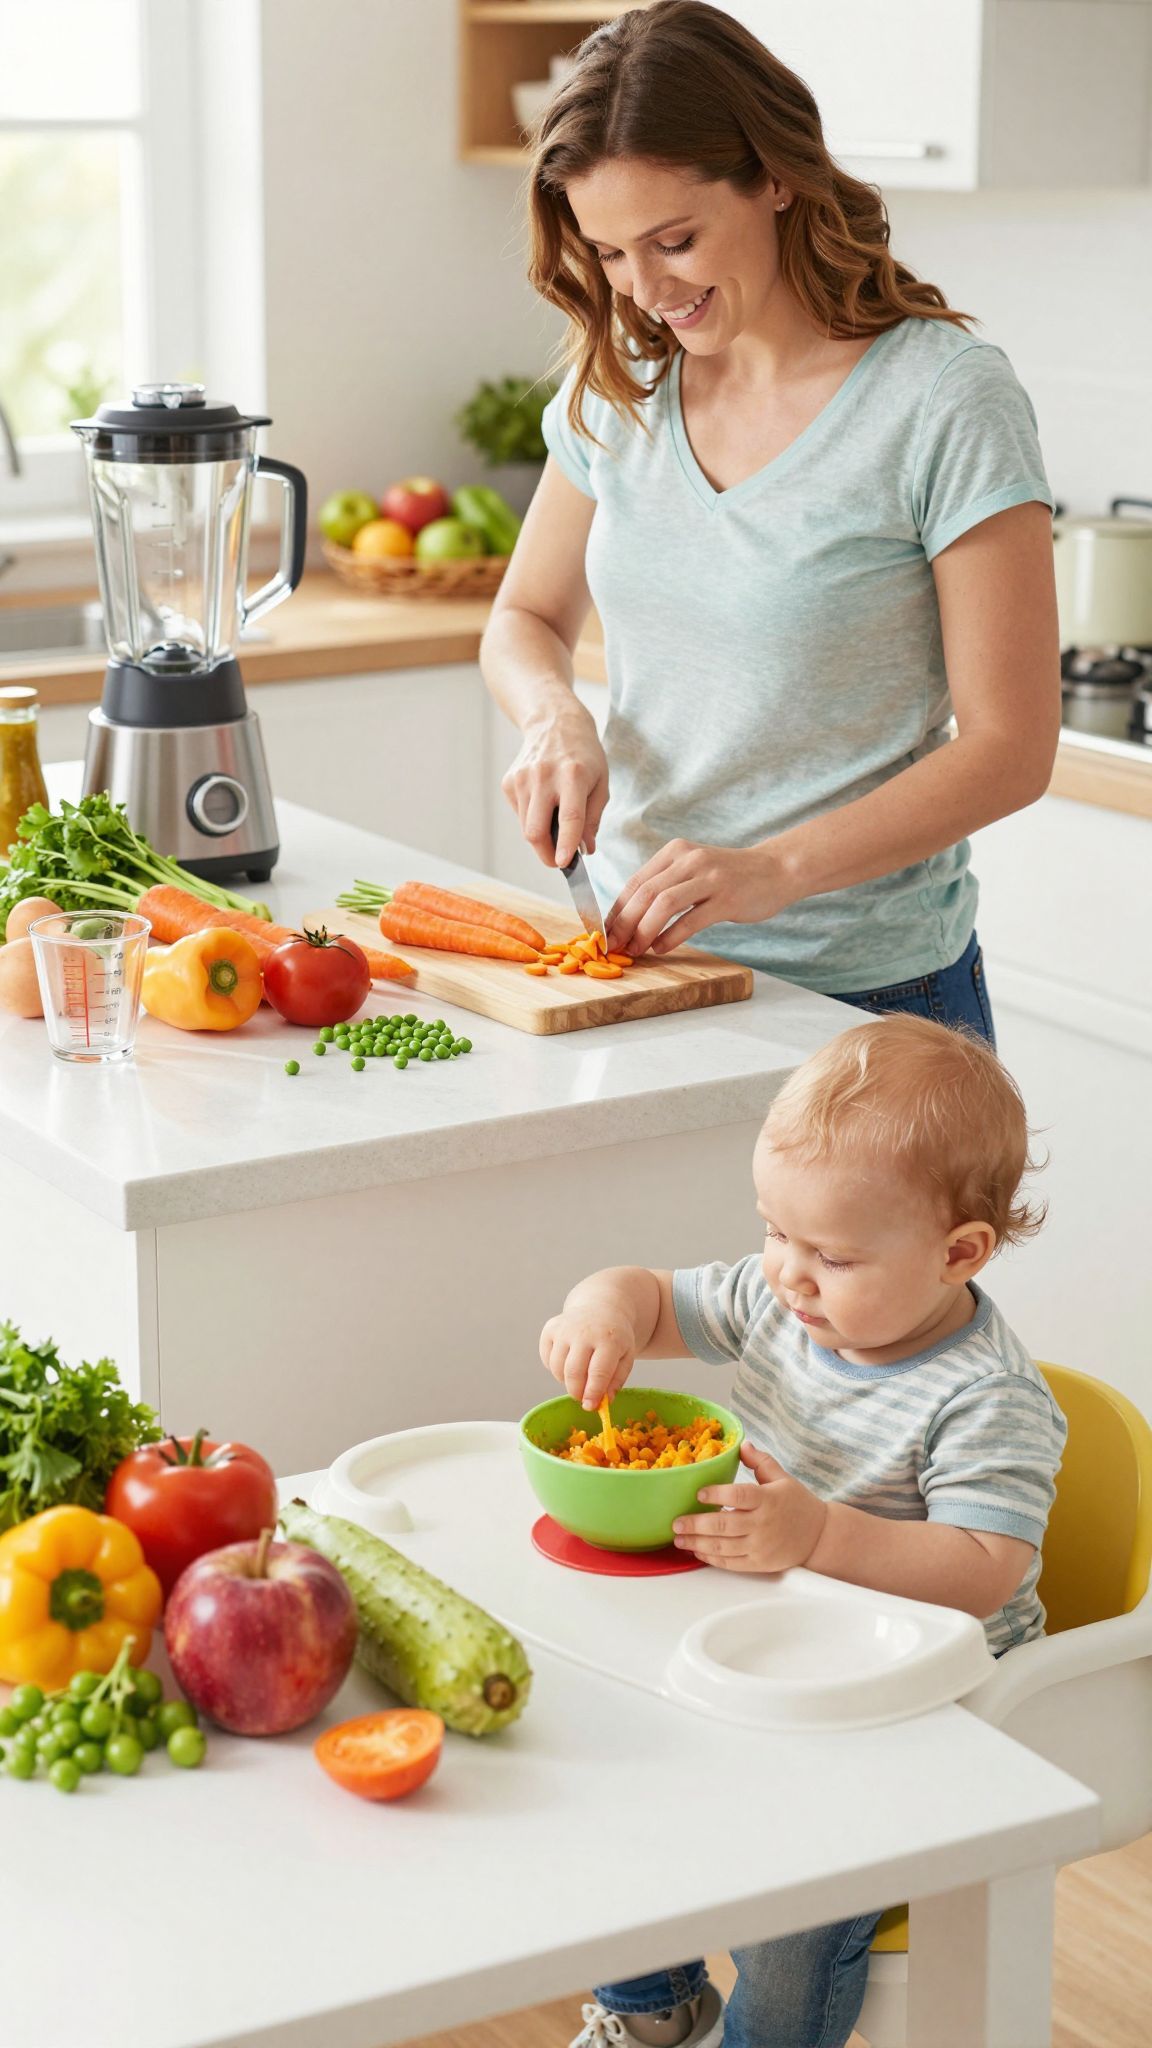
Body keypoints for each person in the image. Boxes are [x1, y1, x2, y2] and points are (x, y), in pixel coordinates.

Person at [480, 0, 1061, 1047]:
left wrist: (770, 871)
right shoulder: (619, 384)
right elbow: (524, 613)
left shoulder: (941, 399)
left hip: (868, 1003)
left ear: (776, 175)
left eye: (675, 239)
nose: (645, 290)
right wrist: (552, 716)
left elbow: (1014, 748)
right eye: (609, 254)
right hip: (642, 970)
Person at [539, 1013, 1067, 2048]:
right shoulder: (788, 1301)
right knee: (613, 1798)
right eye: (774, 1230)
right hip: (771, 1658)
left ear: (959, 1252)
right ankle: (655, 2013)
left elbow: (983, 1568)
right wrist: (599, 1311)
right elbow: (649, 1297)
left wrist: (818, 1533)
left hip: (920, 1711)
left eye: (828, 1252)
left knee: (793, 1920)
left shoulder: (986, 1396)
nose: (786, 1270)